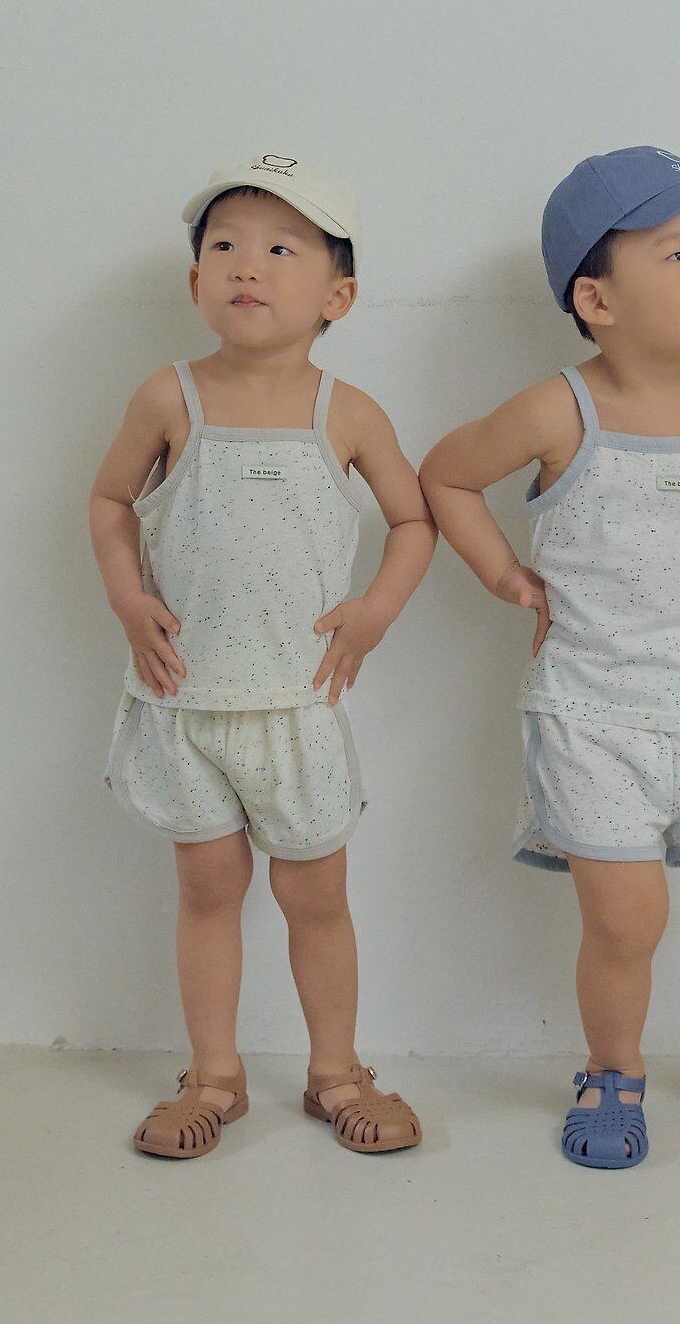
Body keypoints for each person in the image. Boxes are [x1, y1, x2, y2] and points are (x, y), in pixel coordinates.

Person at [419, 147, 680, 1167]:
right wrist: (505, 575)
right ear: (596, 298)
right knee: (626, 921)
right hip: (591, 715)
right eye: (678, 254)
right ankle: (610, 1073)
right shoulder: (558, 410)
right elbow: (446, 474)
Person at [90, 156, 433, 1159]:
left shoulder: (347, 411)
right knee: (207, 892)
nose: (248, 264)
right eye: (225, 246)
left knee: (315, 898)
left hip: (296, 705)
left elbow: (413, 519)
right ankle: (213, 1075)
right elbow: (109, 500)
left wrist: (374, 610)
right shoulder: (168, 397)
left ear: (337, 294)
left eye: (282, 248)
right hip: (185, 701)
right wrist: (127, 597)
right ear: (195, 278)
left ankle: (337, 1072)